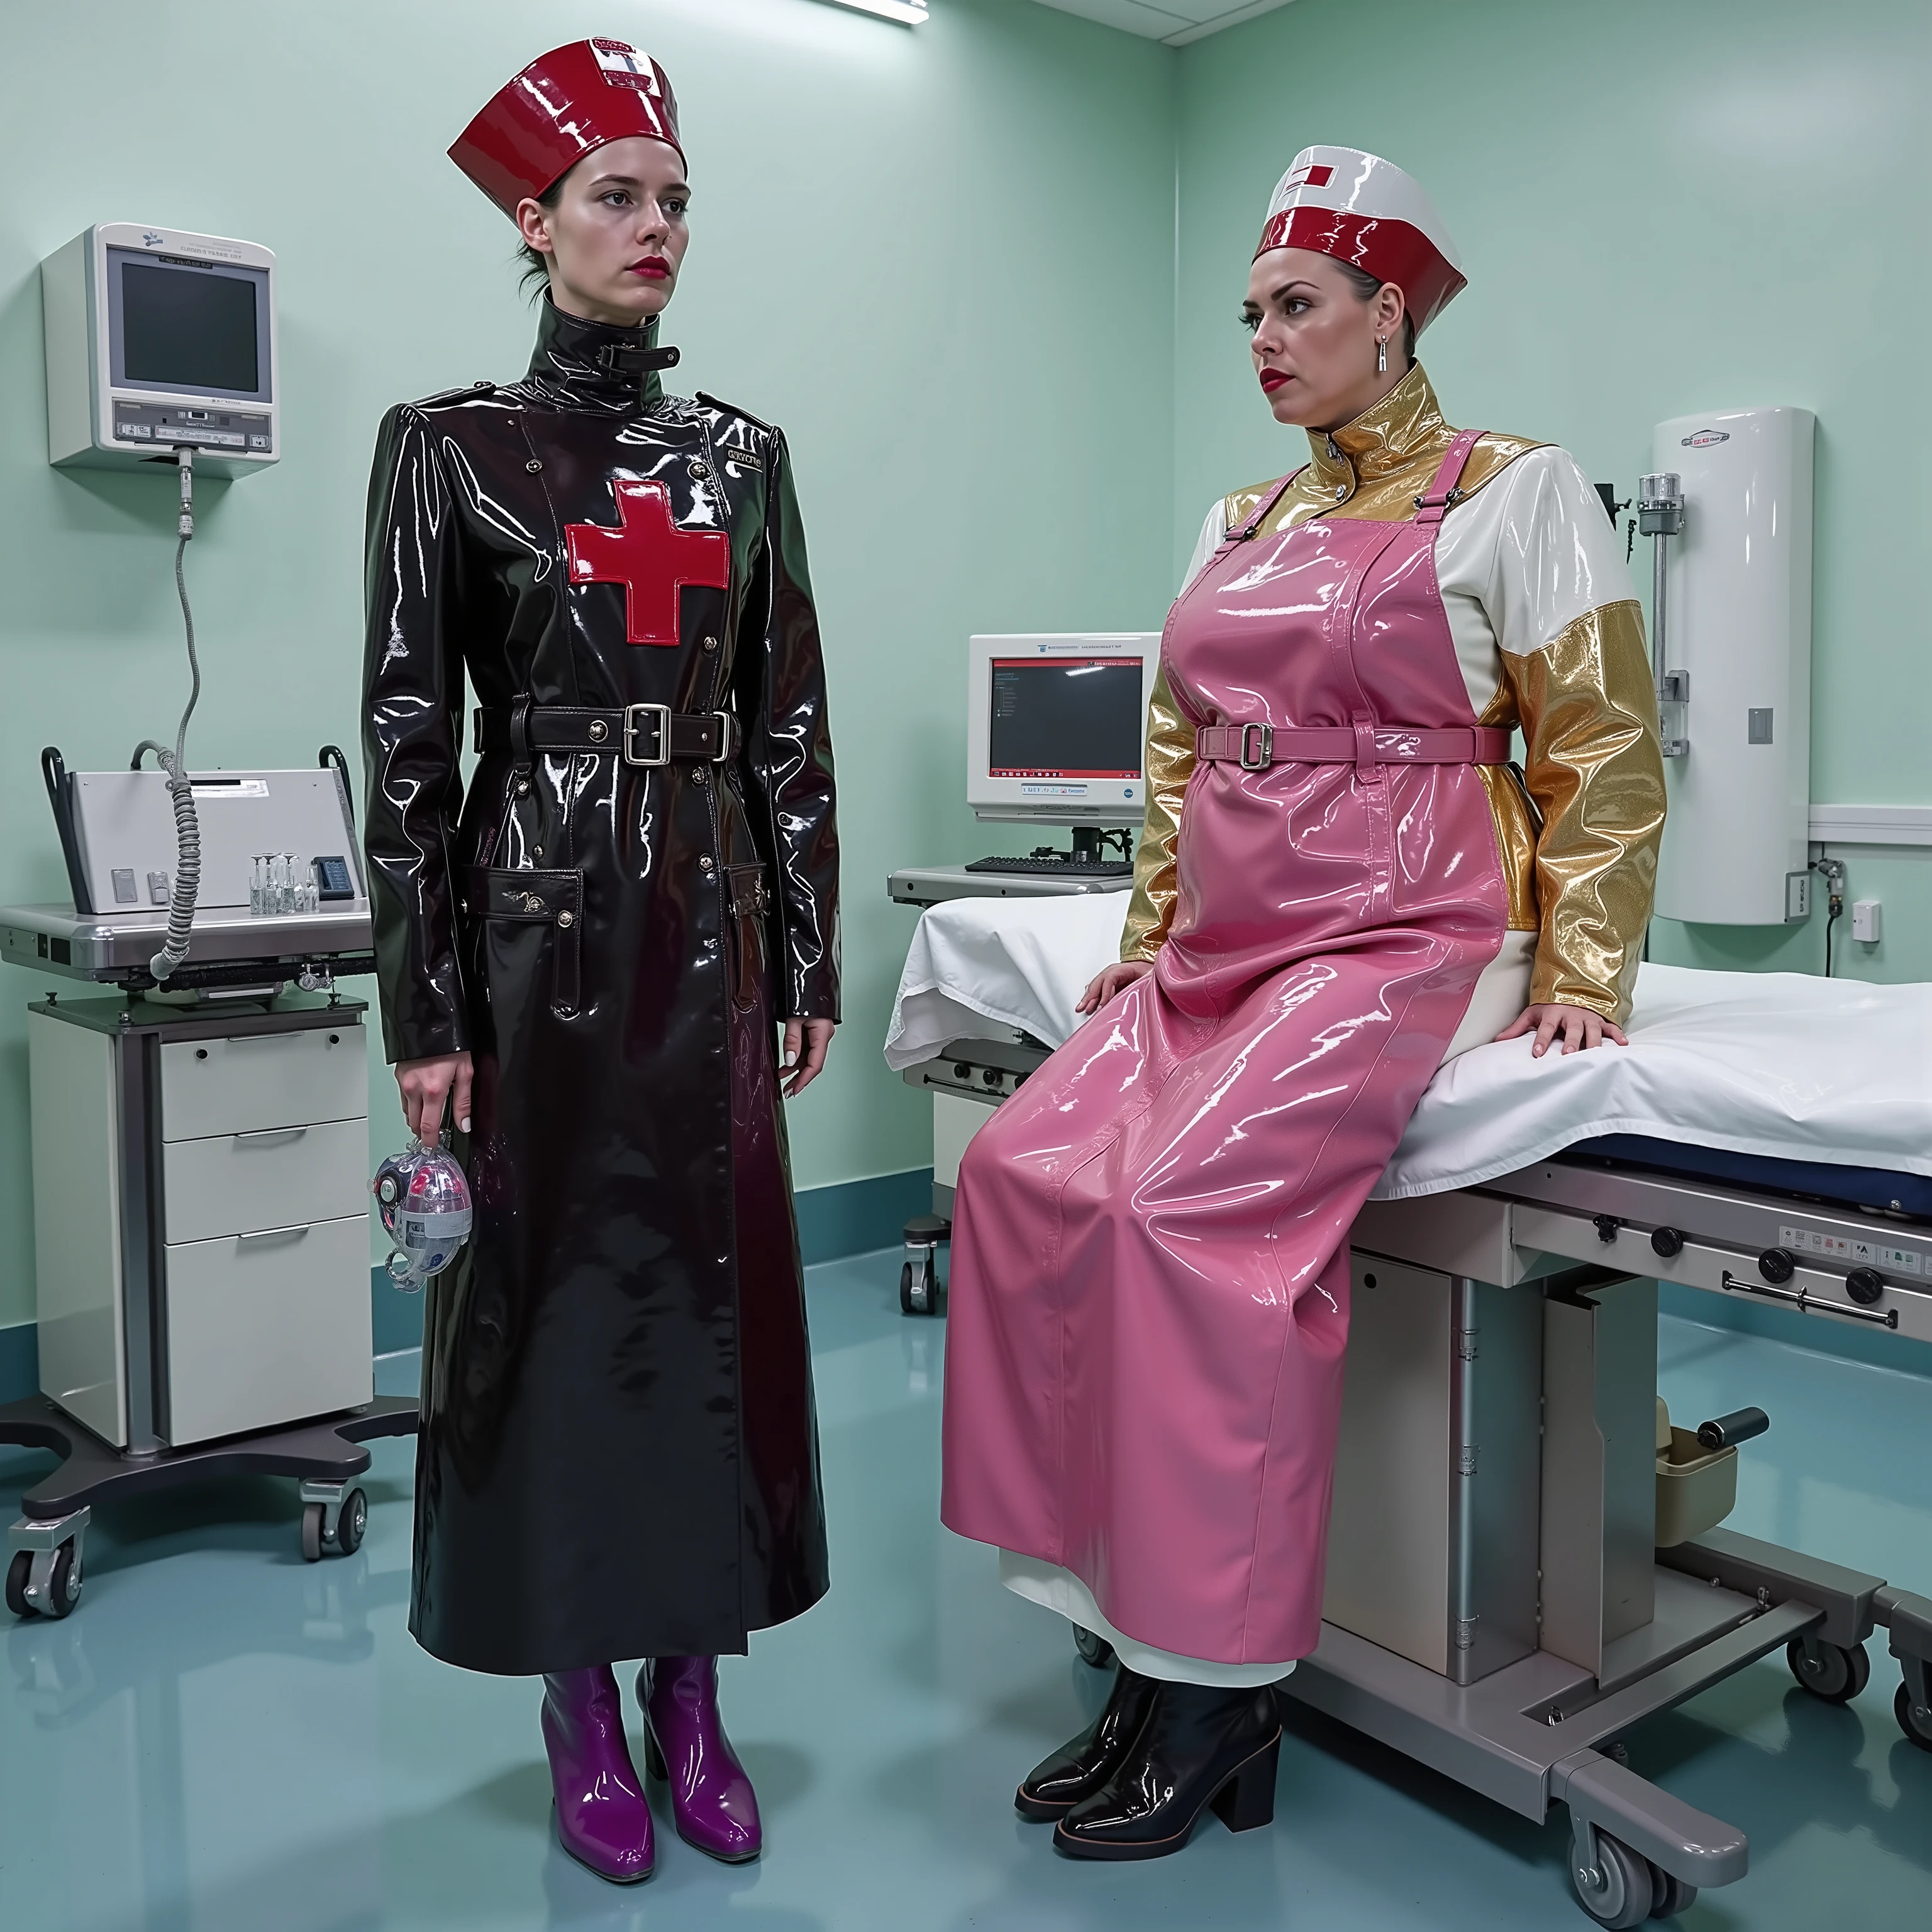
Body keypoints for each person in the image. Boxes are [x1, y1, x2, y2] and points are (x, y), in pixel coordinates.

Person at [940, 145, 1665, 1862]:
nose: (1262, 340)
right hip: (1237, 935)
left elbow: (1605, 747)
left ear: (1385, 315)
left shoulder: (1519, 490)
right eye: (1250, 313)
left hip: (1414, 925)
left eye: (1296, 308)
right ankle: (1125, 1637)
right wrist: (1150, 929)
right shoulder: (1238, 522)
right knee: (1032, 1176)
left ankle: (1216, 1685)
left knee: (1187, 1211)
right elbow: (1179, 751)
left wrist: (1579, 972)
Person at [360, 40, 839, 1885]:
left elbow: (785, 725)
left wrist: (802, 946)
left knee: (714, 1312)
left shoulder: (741, 459)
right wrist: (425, 1005)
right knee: (550, 1318)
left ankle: (693, 1690)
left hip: (707, 926)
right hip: (537, 925)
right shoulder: (448, 451)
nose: (656, 231)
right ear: (532, 219)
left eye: (675, 201)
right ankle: (576, 1695)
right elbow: (406, 735)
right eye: (617, 199)